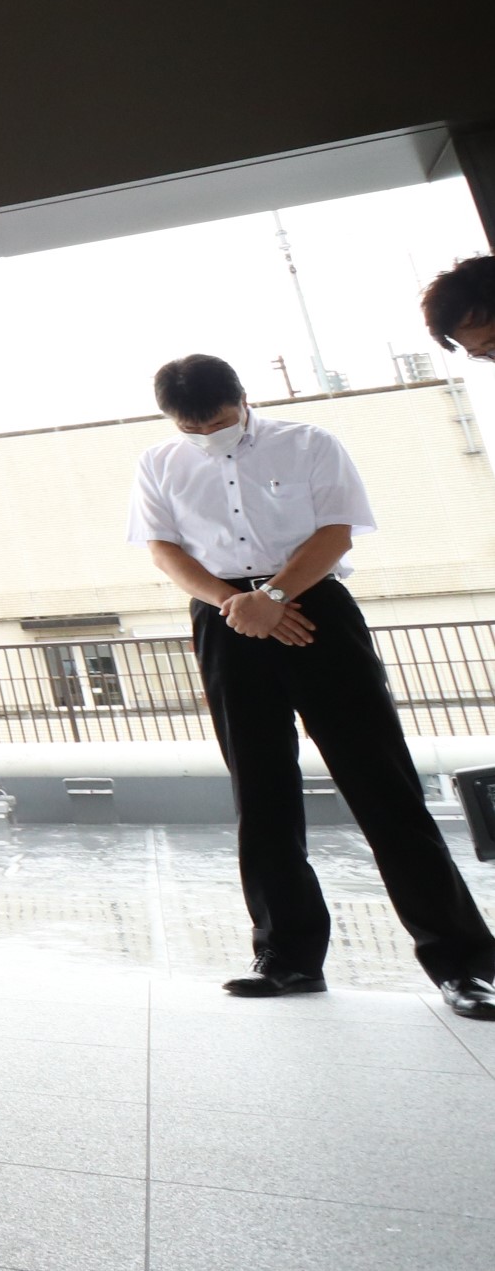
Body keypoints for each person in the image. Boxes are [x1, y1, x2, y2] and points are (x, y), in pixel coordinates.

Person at [129, 353, 494, 1018]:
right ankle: (287, 958)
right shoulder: (158, 463)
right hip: (224, 619)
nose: (202, 433)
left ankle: (464, 962)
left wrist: (271, 596)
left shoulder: (307, 443)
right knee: (260, 790)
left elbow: (335, 531)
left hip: (312, 608)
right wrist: (235, 604)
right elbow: (162, 548)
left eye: (213, 420)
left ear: (241, 397)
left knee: (380, 782)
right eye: (189, 426)